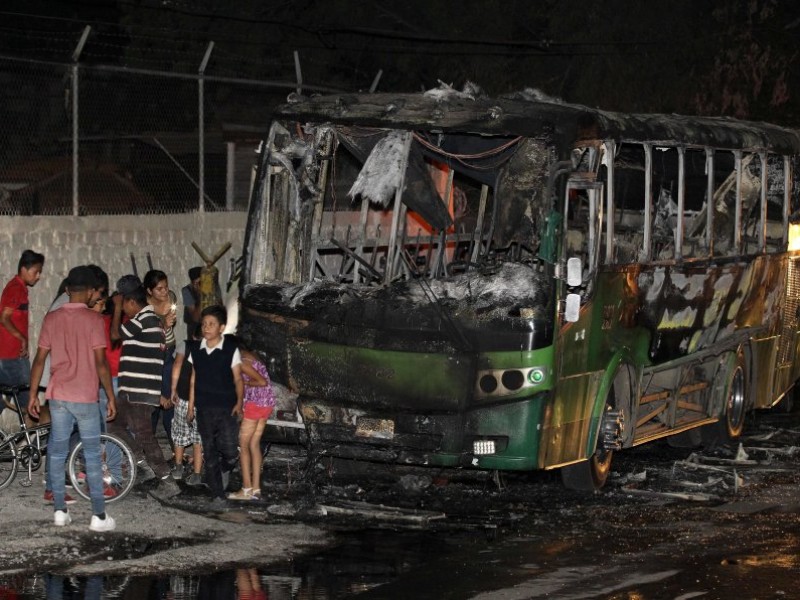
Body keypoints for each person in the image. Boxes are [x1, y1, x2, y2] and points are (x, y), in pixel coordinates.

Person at [27, 265, 116, 532]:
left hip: (58, 396)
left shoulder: (52, 319)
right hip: (85, 397)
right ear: (90, 291)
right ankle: (98, 516)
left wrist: (33, 394)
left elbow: (40, 359)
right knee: (91, 454)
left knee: (56, 452)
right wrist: (110, 396)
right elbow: (101, 363)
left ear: (67, 290)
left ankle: (59, 512)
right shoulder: (94, 320)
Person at [111, 281, 178, 496]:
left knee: (144, 435)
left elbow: (114, 335)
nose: (123, 310)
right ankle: (142, 464)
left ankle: (166, 479)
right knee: (114, 427)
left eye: (124, 305)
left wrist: (116, 309)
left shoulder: (143, 320)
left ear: (131, 302)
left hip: (139, 390)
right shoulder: (152, 321)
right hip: (133, 388)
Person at [187, 305, 243, 507]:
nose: (206, 328)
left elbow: (238, 379)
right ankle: (217, 495)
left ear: (221, 327)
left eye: (211, 324)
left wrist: (239, 402)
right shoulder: (196, 350)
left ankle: (226, 467)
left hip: (227, 407)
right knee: (209, 449)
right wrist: (191, 406)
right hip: (204, 407)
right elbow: (193, 378)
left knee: (229, 449)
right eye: (204, 324)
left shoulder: (230, 350)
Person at [0, 249, 44, 418]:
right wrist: (22, 339)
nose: (38, 276)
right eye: (36, 271)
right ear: (24, 269)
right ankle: (37, 443)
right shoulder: (15, 289)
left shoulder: (18, 288)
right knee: (29, 401)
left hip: (9, 356)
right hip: (12, 357)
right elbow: (4, 318)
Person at [227, 343, 271, 501]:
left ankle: (246, 489)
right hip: (266, 404)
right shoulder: (251, 355)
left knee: (243, 445)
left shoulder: (243, 362)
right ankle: (256, 489)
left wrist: (243, 383)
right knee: (253, 444)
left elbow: (261, 382)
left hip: (256, 404)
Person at [142, 269, 176, 445]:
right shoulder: (144, 308)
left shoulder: (171, 298)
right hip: (154, 353)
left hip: (169, 350)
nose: (164, 292)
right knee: (154, 401)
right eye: (159, 289)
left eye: (166, 287)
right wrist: (164, 322)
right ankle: (149, 445)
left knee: (169, 397)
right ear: (149, 291)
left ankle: (175, 447)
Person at [169, 326, 203, 485]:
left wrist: (173, 389)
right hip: (204, 402)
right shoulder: (213, 349)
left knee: (179, 432)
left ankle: (178, 467)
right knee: (198, 438)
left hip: (184, 397)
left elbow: (177, 364)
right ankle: (197, 473)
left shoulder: (186, 345)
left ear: (193, 335)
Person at [182, 266, 203, 340]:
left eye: (201, 282)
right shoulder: (187, 291)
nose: (198, 286)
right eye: (196, 283)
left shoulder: (211, 288)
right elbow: (195, 318)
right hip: (194, 329)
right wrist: (202, 296)